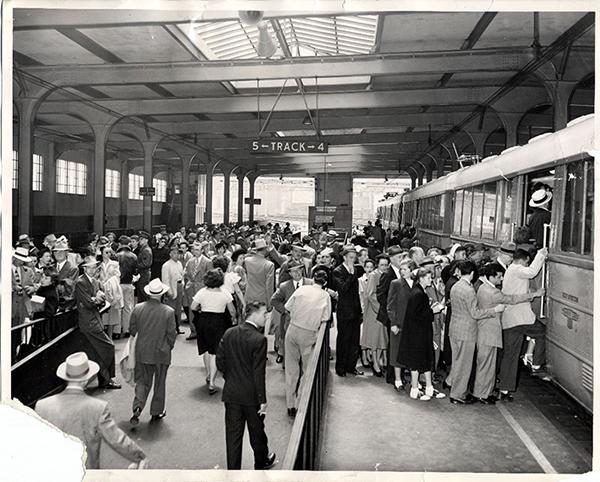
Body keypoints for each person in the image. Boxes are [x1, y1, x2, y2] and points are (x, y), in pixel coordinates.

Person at [216, 302, 277, 471]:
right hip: (251, 396)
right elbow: (258, 373)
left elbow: (220, 361)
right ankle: (261, 462)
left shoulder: (229, 333)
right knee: (256, 431)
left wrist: (231, 378)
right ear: (253, 314)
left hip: (232, 393)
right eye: (264, 313)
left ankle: (233, 471)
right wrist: (262, 399)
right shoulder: (259, 339)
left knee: (233, 436)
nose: (266, 317)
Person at [474, 263, 542, 404]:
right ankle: (480, 394)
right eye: (499, 277)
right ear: (491, 277)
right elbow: (512, 299)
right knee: (486, 366)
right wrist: (534, 294)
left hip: (486, 332)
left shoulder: (483, 288)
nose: (502, 279)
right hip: (489, 333)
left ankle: (485, 392)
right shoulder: (493, 293)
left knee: (488, 365)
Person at [447, 261, 503, 404]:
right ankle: (457, 395)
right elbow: (475, 313)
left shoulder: (456, 286)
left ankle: (455, 390)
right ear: (472, 273)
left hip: (455, 329)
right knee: (464, 366)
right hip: (466, 333)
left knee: (457, 363)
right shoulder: (469, 290)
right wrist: (494, 311)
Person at [497, 248, 548, 400]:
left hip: (510, 320)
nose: (527, 264)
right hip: (521, 318)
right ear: (524, 259)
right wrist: (541, 255)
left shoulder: (510, 271)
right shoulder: (517, 269)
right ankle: (537, 365)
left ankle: (504, 390)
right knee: (544, 333)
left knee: (510, 355)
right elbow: (532, 272)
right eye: (527, 262)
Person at [129, 279, 177, 425]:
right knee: (160, 382)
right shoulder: (169, 312)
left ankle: (138, 406)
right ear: (162, 294)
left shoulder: (138, 308)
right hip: (161, 353)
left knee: (142, 381)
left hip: (142, 352)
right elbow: (171, 334)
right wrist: (169, 346)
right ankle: (156, 411)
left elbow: (132, 330)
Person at [283, 271, 331, 416]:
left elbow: (287, 307)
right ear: (325, 283)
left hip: (292, 330)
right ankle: (299, 404)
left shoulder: (302, 289)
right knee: (307, 370)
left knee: (291, 369)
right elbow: (326, 317)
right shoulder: (325, 296)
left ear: (313, 280)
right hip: (309, 334)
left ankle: (289, 404)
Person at [399, 268, 446, 401]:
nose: (431, 280)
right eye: (428, 278)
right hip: (417, 333)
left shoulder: (419, 291)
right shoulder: (418, 294)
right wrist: (434, 311)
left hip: (420, 332)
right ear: (421, 279)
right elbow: (417, 315)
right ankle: (415, 389)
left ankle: (429, 388)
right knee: (417, 361)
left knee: (426, 359)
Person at [74, 256, 121, 390]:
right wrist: (97, 299)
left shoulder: (94, 281)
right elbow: (89, 303)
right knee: (108, 347)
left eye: (95, 267)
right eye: (92, 267)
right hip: (89, 322)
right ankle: (107, 379)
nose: (95, 269)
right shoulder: (81, 282)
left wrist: (97, 299)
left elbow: (97, 300)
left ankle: (105, 380)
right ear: (85, 268)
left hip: (94, 320)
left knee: (97, 352)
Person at [190, 268, 236, 394]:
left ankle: (209, 374)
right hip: (219, 321)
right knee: (215, 352)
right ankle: (212, 383)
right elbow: (232, 310)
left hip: (204, 320)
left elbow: (193, 306)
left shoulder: (202, 292)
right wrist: (234, 318)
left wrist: (201, 311)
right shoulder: (225, 292)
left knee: (205, 348)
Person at [270, 261, 313, 365]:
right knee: (288, 345)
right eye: (294, 271)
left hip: (306, 321)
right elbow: (274, 300)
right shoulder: (284, 286)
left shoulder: (310, 283)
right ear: (289, 273)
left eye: (299, 270)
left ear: (302, 270)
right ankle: (288, 365)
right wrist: (285, 310)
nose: (297, 273)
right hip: (288, 321)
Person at [332, 245, 363, 377]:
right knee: (344, 339)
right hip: (344, 311)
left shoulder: (354, 269)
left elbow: (355, 292)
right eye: (350, 257)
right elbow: (343, 289)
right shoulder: (337, 271)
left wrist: (360, 310)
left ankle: (351, 366)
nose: (353, 260)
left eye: (354, 258)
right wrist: (350, 275)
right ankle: (341, 368)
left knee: (354, 340)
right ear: (344, 257)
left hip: (355, 310)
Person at [387, 258, 415, 390]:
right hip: (399, 322)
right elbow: (390, 305)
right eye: (401, 269)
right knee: (396, 351)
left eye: (405, 269)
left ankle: (409, 378)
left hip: (411, 324)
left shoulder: (415, 284)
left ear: (411, 270)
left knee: (409, 351)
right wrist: (393, 323)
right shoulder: (396, 283)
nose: (402, 271)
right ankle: (397, 379)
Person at [376, 245, 403, 384]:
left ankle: (398, 373)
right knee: (393, 345)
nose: (402, 259)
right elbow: (380, 295)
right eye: (399, 257)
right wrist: (391, 310)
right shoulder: (388, 274)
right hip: (392, 316)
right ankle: (392, 376)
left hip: (401, 315)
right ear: (391, 259)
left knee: (399, 345)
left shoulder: (402, 272)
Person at [360, 255, 389, 376]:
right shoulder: (373, 275)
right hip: (374, 310)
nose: (384, 267)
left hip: (382, 310)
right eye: (382, 265)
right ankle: (375, 363)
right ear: (378, 265)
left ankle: (381, 361)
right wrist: (380, 309)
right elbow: (370, 294)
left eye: (386, 265)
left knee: (381, 337)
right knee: (374, 338)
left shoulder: (386, 275)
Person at [183, 241, 213, 340]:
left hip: (203, 288)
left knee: (204, 310)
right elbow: (186, 274)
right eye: (194, 250)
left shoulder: (208, 261)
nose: (195, 252)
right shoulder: (190, 262)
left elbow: (211, 277)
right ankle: (193, 331)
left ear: (202, 250)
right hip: (191, 288)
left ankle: (204, 332)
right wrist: (188, 284)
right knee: (192, 310)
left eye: (198, 250)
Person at [244, 239, 275, 310]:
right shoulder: (269, 265)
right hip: (262, 298)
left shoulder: (247, 260)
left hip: (249, 296)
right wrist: (270, 304)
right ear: (265, 249)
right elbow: (269, 286)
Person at [116, 235, 138, 338]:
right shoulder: (133, 256)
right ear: (129, 244)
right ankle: (127, 329)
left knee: (118, 307)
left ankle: (116, 331)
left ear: (120, 244)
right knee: (128, 307)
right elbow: (135, 271)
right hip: (129, 283)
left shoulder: (116, 255)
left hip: (118, 284)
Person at [161, 244, 185, 335]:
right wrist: (169, 291)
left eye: (177, 253)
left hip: (179, 286)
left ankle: (177, 327)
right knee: (171, 309)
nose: (176, 255)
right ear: (170, 254)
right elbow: (165, 280)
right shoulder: (166, 265)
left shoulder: (179, 264)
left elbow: (182, 276)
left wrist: (182, 285)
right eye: (174, 253)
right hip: (171, 287)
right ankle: (169, 328)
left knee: (178, 309)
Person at [53, 237, 79, 307]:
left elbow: (70, 289)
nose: (58, 253)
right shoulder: (51, 267)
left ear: (66, 253)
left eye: (61, 251)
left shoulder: (73, 268)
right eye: (56, 251)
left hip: (66, 304)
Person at [102, 260, 123, 340]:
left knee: (111, 321)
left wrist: (114, 300)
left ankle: (109, 338)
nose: (115, 270)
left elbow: (117, 292)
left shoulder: (114, 279)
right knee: (107, 321)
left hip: (112, 303)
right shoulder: (109, 280)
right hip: (109, 302)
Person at [136, 231, 153, 302]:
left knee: (144, 293)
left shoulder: (146, 250)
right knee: (141, 294)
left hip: (144, 274)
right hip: (142, 274)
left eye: (142, 239)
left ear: (146, 240)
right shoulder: (143, 249)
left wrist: (136, 265)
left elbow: (146, 264)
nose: (140, 241)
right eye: (140, 239)